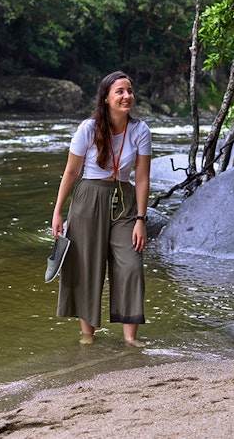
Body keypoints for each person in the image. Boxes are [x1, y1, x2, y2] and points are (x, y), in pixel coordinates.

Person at [52, 71, 152, 347]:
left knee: (131, 264)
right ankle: (87, 334)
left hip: (125, 201)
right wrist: (58, 211)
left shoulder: (140, 130)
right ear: (106, 98)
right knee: (86, 265)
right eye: (120, 91)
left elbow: (142, 179)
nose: (126, 96)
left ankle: (130, 337)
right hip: (88, 198)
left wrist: (141, 219)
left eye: (129, 90)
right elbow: (71, 172)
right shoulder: (87, 128)